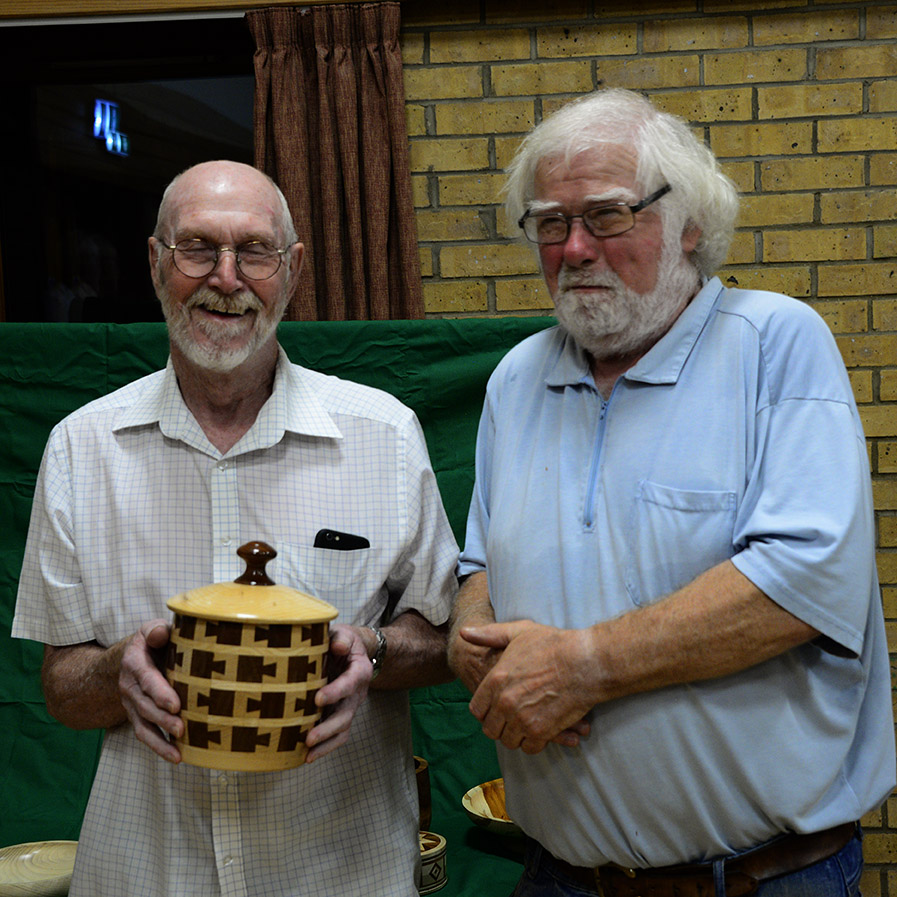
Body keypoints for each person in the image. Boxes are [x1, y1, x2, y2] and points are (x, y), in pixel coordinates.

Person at [449, 88, 894, 897]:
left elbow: (799, 586)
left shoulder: (774, 344)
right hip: (561, 878)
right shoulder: (517, 377)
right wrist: (469, 638)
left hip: (755, 881)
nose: (574, 247)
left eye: (606, 216)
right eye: (549, 222)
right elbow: (479, 563)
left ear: (689, 222)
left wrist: (582, 666)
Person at [13, 160, 459, 897]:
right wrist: (117, 670)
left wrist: (372, 652)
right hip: (147, 874)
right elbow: (61, 689)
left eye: (254, 251)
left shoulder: (383, 434)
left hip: (340, 873)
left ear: (293, 269)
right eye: (196, 248)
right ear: (155, 261)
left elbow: (445, 642)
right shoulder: (80, 447)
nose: (226, 278)